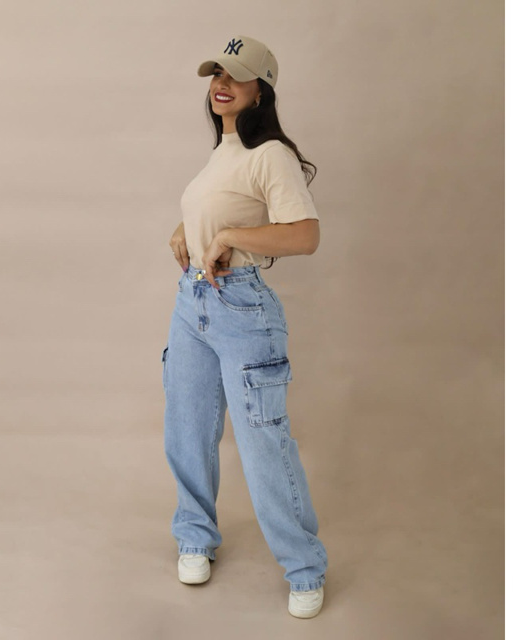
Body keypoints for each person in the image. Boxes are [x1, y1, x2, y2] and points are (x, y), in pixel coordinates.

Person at [161, 35, 328, 619]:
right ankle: (194, 538)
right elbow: (219, 207)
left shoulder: (270, 154)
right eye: (216, 75)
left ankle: (304, 567)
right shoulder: (225, 151)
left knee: (262, 443)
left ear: (262, 92)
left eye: (235, 76)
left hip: (241, 310)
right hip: (193, 304)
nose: (221, 84)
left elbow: (304, 235)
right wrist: (188, 230)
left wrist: (230, 237)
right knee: (186, 429)